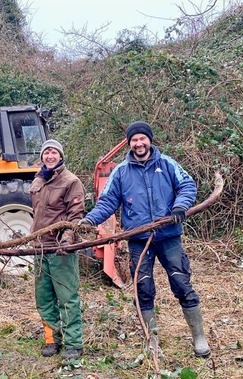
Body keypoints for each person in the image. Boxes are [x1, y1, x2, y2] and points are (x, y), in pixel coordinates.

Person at [81, 121, 211, 357]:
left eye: (142, 139)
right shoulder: (120, 172)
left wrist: (180, 206)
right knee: (143, 288)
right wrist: (89, 221)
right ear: (129, 144)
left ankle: (199, 337)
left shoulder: (167, 164)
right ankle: (152, 341)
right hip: (139, 239)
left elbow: (187, 185)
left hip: (168, 236)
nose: (139, 143)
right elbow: (108, 202)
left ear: (149, 140)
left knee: (182, 283)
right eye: (134, 140)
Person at [29, 139, 86, 360]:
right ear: (42, 157)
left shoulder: (71, 181)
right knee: (43, 298)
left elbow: (76, 216)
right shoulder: (38, 181)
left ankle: (74, 343)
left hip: (61, 249)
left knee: (67, 297)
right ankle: (52, 340)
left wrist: (67, 239)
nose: (50, 156)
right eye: (46, 153)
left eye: (54, 152)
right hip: (39, 247)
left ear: (60, 156)